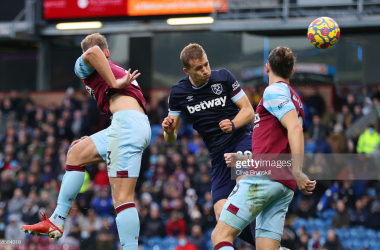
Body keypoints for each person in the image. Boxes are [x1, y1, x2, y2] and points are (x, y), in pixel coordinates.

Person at [21, 33, 151, 250]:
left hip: (127, 127)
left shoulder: (87, 64)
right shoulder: (115, 69)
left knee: (122, 197)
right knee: (76, 153)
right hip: (125, 125)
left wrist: (113, 82)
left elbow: (92, 53)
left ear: (105, 54)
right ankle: (57, 220)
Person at [212, 46, 316, 250]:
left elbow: (294, 129)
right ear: (292, 70)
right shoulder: (295, 100)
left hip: (265, 178)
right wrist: (244, 161)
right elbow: (277, 149)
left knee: (220, 235)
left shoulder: (274, 91)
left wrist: (298, 171)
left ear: (267, 67)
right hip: (282, 184)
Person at [162, 43, 256, 245]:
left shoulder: (223, 77)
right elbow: (171, 138)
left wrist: (233, 123)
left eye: (206, 64)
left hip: (242, 139)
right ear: (187, 70)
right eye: (199, 68)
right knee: (223, 217)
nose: (205, 70)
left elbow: (249, 111)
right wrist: (169, 131)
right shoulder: (178, 93)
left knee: (243, 189)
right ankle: (267, 245)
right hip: (218, 154)